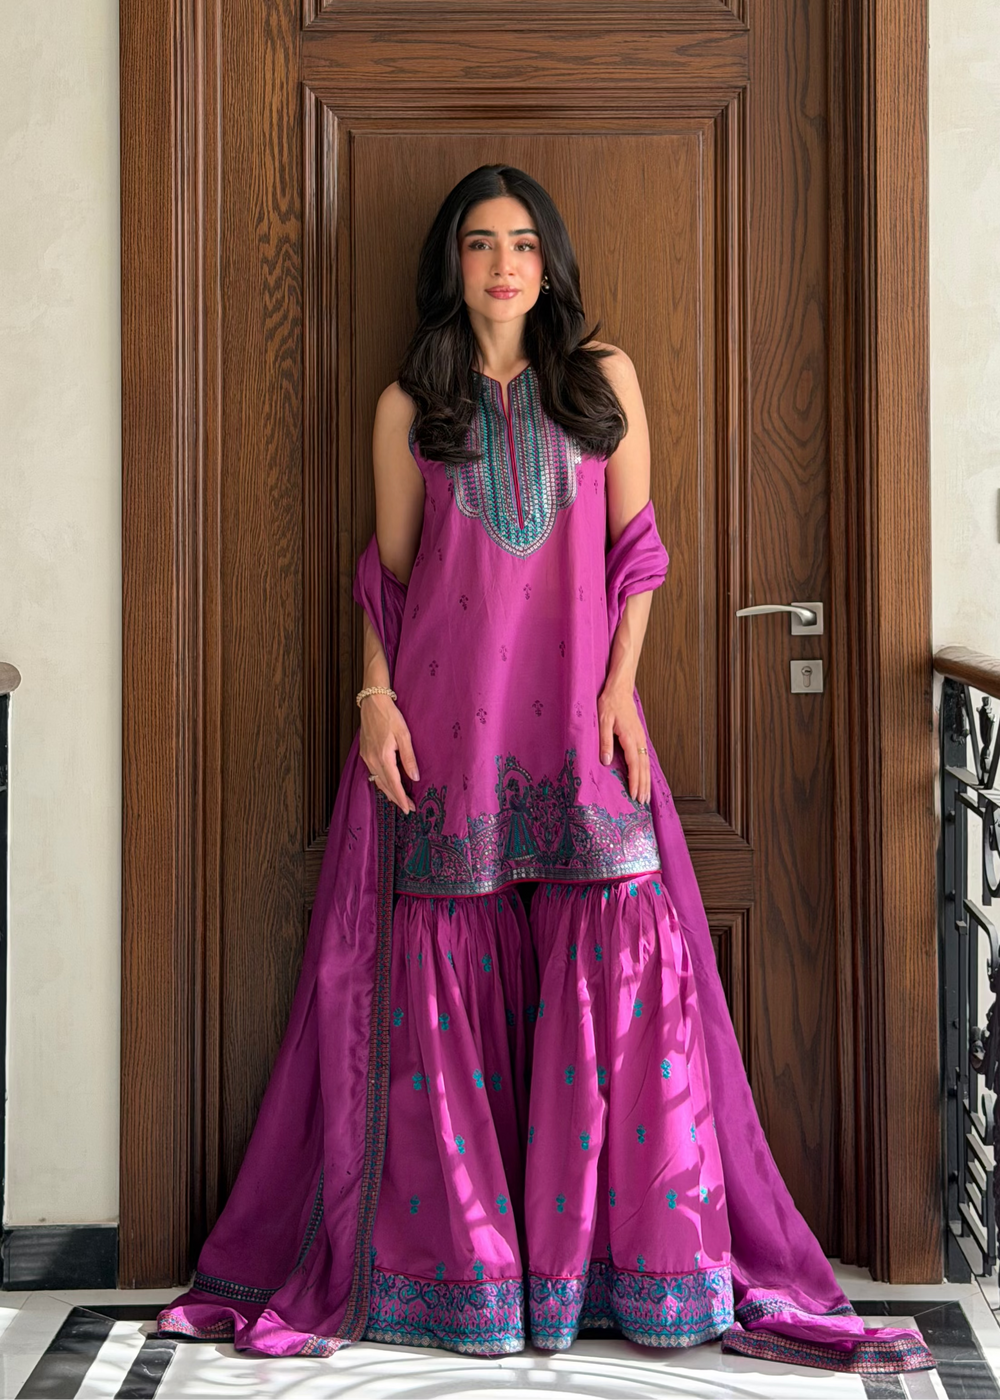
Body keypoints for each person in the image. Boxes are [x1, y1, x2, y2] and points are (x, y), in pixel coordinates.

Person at [158, 166, 934, 1374]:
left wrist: (621, 687)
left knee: (622, 953)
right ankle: (466, 1277)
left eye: (522, 243)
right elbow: (389, 580)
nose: (503, 265)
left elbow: (638, 553)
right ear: (452, 264)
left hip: (582, 724)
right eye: (480, 244)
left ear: (549, 260)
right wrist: (373, 697)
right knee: (437, 977)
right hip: (444, 727)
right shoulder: (409, 407)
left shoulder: (600, 380)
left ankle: (619, 1270)